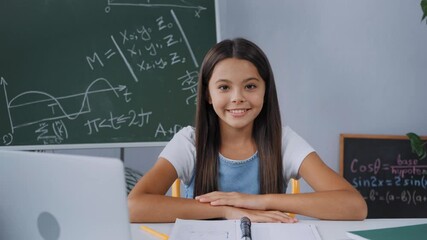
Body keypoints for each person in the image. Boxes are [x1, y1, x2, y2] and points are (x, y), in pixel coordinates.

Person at [128, 38, 367, 223]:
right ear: (208, 95)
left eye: (250, 86)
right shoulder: (190, 141)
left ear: (265, 90)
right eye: (224, 87)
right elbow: (134, 206)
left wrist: (257, 202)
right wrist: (227, 210)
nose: (238, 98)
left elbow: (354, 206)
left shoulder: (283, 141)